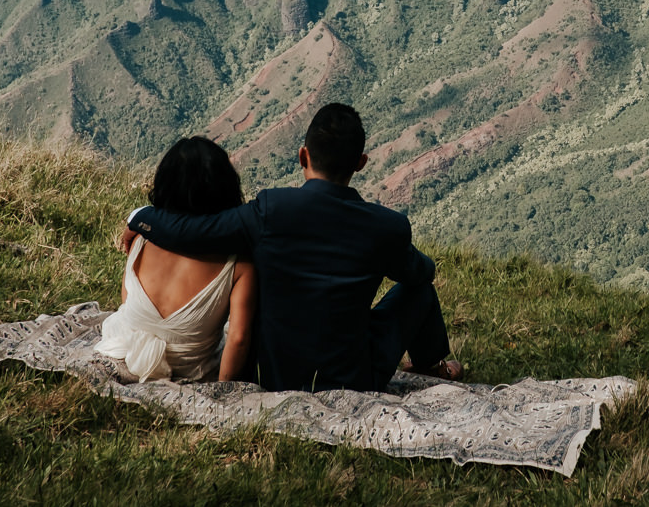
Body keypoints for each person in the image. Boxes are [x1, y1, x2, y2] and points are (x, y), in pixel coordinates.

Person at [125, 103, 462, 393]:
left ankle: (431, 366)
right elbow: (421, 274)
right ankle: (431, 367)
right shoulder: (387, 227)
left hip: (270, 373)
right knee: (419, 292)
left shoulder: (272, 210)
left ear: (303, 155)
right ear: (360, 163)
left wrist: (141, 216)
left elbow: (195, 232)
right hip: (354, 378)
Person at [95, 136, 257, 383]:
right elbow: (238, 338)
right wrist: (224, 389)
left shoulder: (141, 236)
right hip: (192, 368)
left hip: (125, 351)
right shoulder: (240, 263)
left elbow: (128, 300)